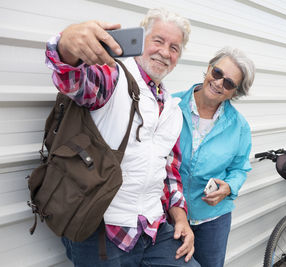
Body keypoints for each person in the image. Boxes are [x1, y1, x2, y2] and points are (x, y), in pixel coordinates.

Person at [45, 8, 200, 267]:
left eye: (174, 47)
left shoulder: (173, 109)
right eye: (158, 41)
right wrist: (66, 45)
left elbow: (170, 171)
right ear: (139, 42)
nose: (165, 52)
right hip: (100, 228)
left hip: (152, 228)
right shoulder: (112, 76)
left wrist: (181, 218)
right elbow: (72, 78)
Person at [173, 47, 255, 267]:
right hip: (170, 214)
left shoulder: (239, 126)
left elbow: (240, 168)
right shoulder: (170, 106)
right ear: (209, 69)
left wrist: (228, 187)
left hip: (213, 220)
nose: (219, 83)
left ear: (235, 93)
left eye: (229, 83)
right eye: (218, 73)